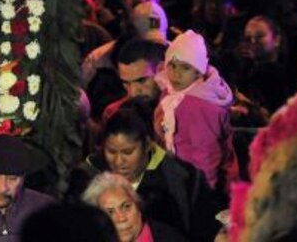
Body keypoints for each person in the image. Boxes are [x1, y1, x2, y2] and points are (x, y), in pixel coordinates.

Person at [69, 101, 220, 241]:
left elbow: (204, 231)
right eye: (111, 152)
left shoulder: (181, 179)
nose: (118, 161)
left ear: (147, 145)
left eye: (127, 152)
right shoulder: (85, 177)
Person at [155, 30, 237, 191]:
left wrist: (203, 194)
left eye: (185, 68)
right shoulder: (171, 92)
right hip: (179, 174)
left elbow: (206, 155)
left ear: (198, 71)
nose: (176, 74)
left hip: (196, 183)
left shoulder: (199, 106)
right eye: (172, 65)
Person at [82, 172, 184, 242]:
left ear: (138, 207)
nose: (121, 218)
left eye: (126, 207)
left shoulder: (169, 238)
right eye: (110, 212)